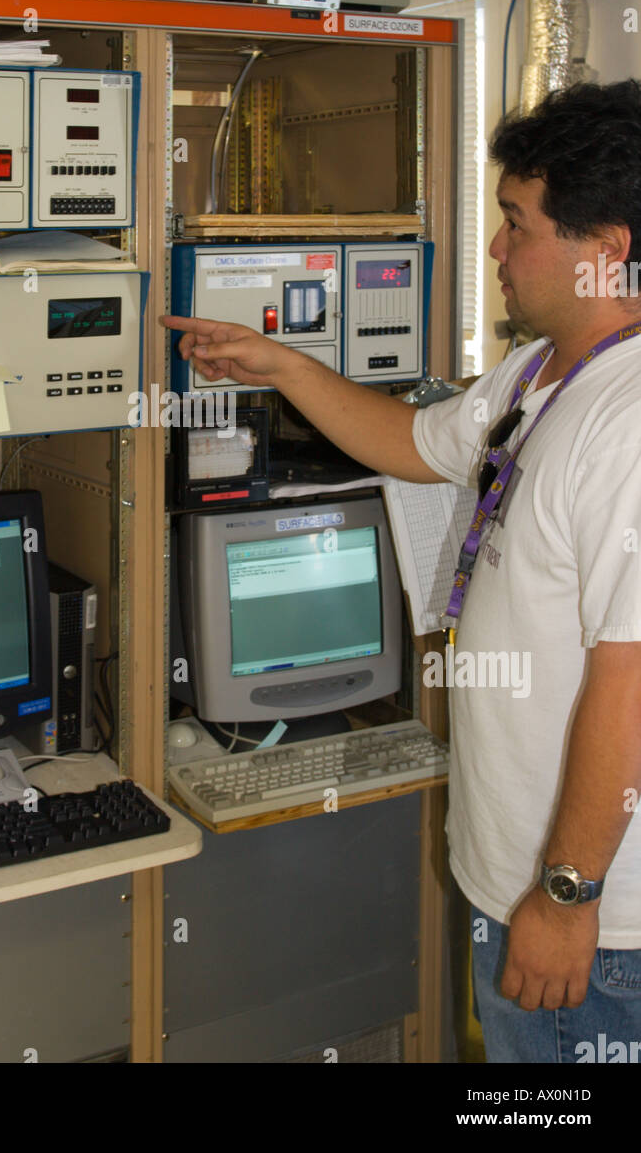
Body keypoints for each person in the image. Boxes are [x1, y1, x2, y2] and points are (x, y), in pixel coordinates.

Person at [160, 79, 641, 1064]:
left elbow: (629, 684)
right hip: (512, 869)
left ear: (607, 251)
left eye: (517, 225)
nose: (498, 251)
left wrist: (564, 896)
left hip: (596, 919)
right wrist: (280, 364)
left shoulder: (628, 427)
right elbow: (414, 441)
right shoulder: (544, 374)